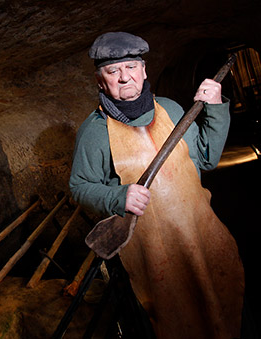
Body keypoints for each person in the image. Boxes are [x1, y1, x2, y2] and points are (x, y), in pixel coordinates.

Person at [69, 32, 245, 338]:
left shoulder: (171, 110)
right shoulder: (94, 132)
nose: (124, 78)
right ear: (101, 81)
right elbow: (80, 186)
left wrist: (215, 108)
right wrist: (117, 197)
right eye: (113, 71)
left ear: (144, 70)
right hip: (151, 258)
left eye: (131, 67)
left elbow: (206, 158)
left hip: (201, 238)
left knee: (222, 309)